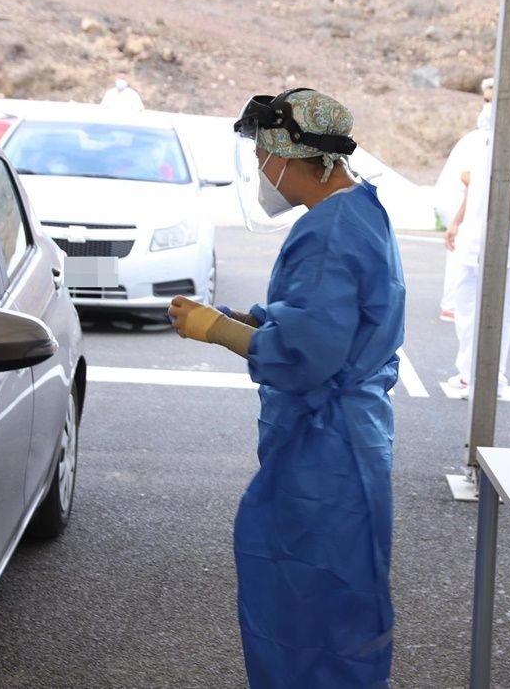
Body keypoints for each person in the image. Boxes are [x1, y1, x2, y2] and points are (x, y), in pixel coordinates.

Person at [167, 88, 404, 689]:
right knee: (338, 610)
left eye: (261, 157)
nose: (260, 171)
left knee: (308, 615)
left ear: (291, 156)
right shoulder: (360, 210)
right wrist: (260, 321)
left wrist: (216, 330)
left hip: (325, 456)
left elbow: (307, 356)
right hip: (348, 444)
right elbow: (330, 320)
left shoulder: (328, 232)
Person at [440, 110, 510, 399]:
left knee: (496, 312)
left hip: (499, 246)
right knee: (467, 307)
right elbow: (474, 186)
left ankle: (491, 378)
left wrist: (496, 241)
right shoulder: (486, 141)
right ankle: (467, 372)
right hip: (473, 239)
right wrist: (457, 221)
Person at [436, 76, 494, 322]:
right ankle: (452, 305)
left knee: (462, 252)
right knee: (461, 253)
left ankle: (457, 303)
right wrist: (458, 220)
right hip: (458, 201)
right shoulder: (483, 140)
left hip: (460, 202)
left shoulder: (480, 137)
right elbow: (470, 179)